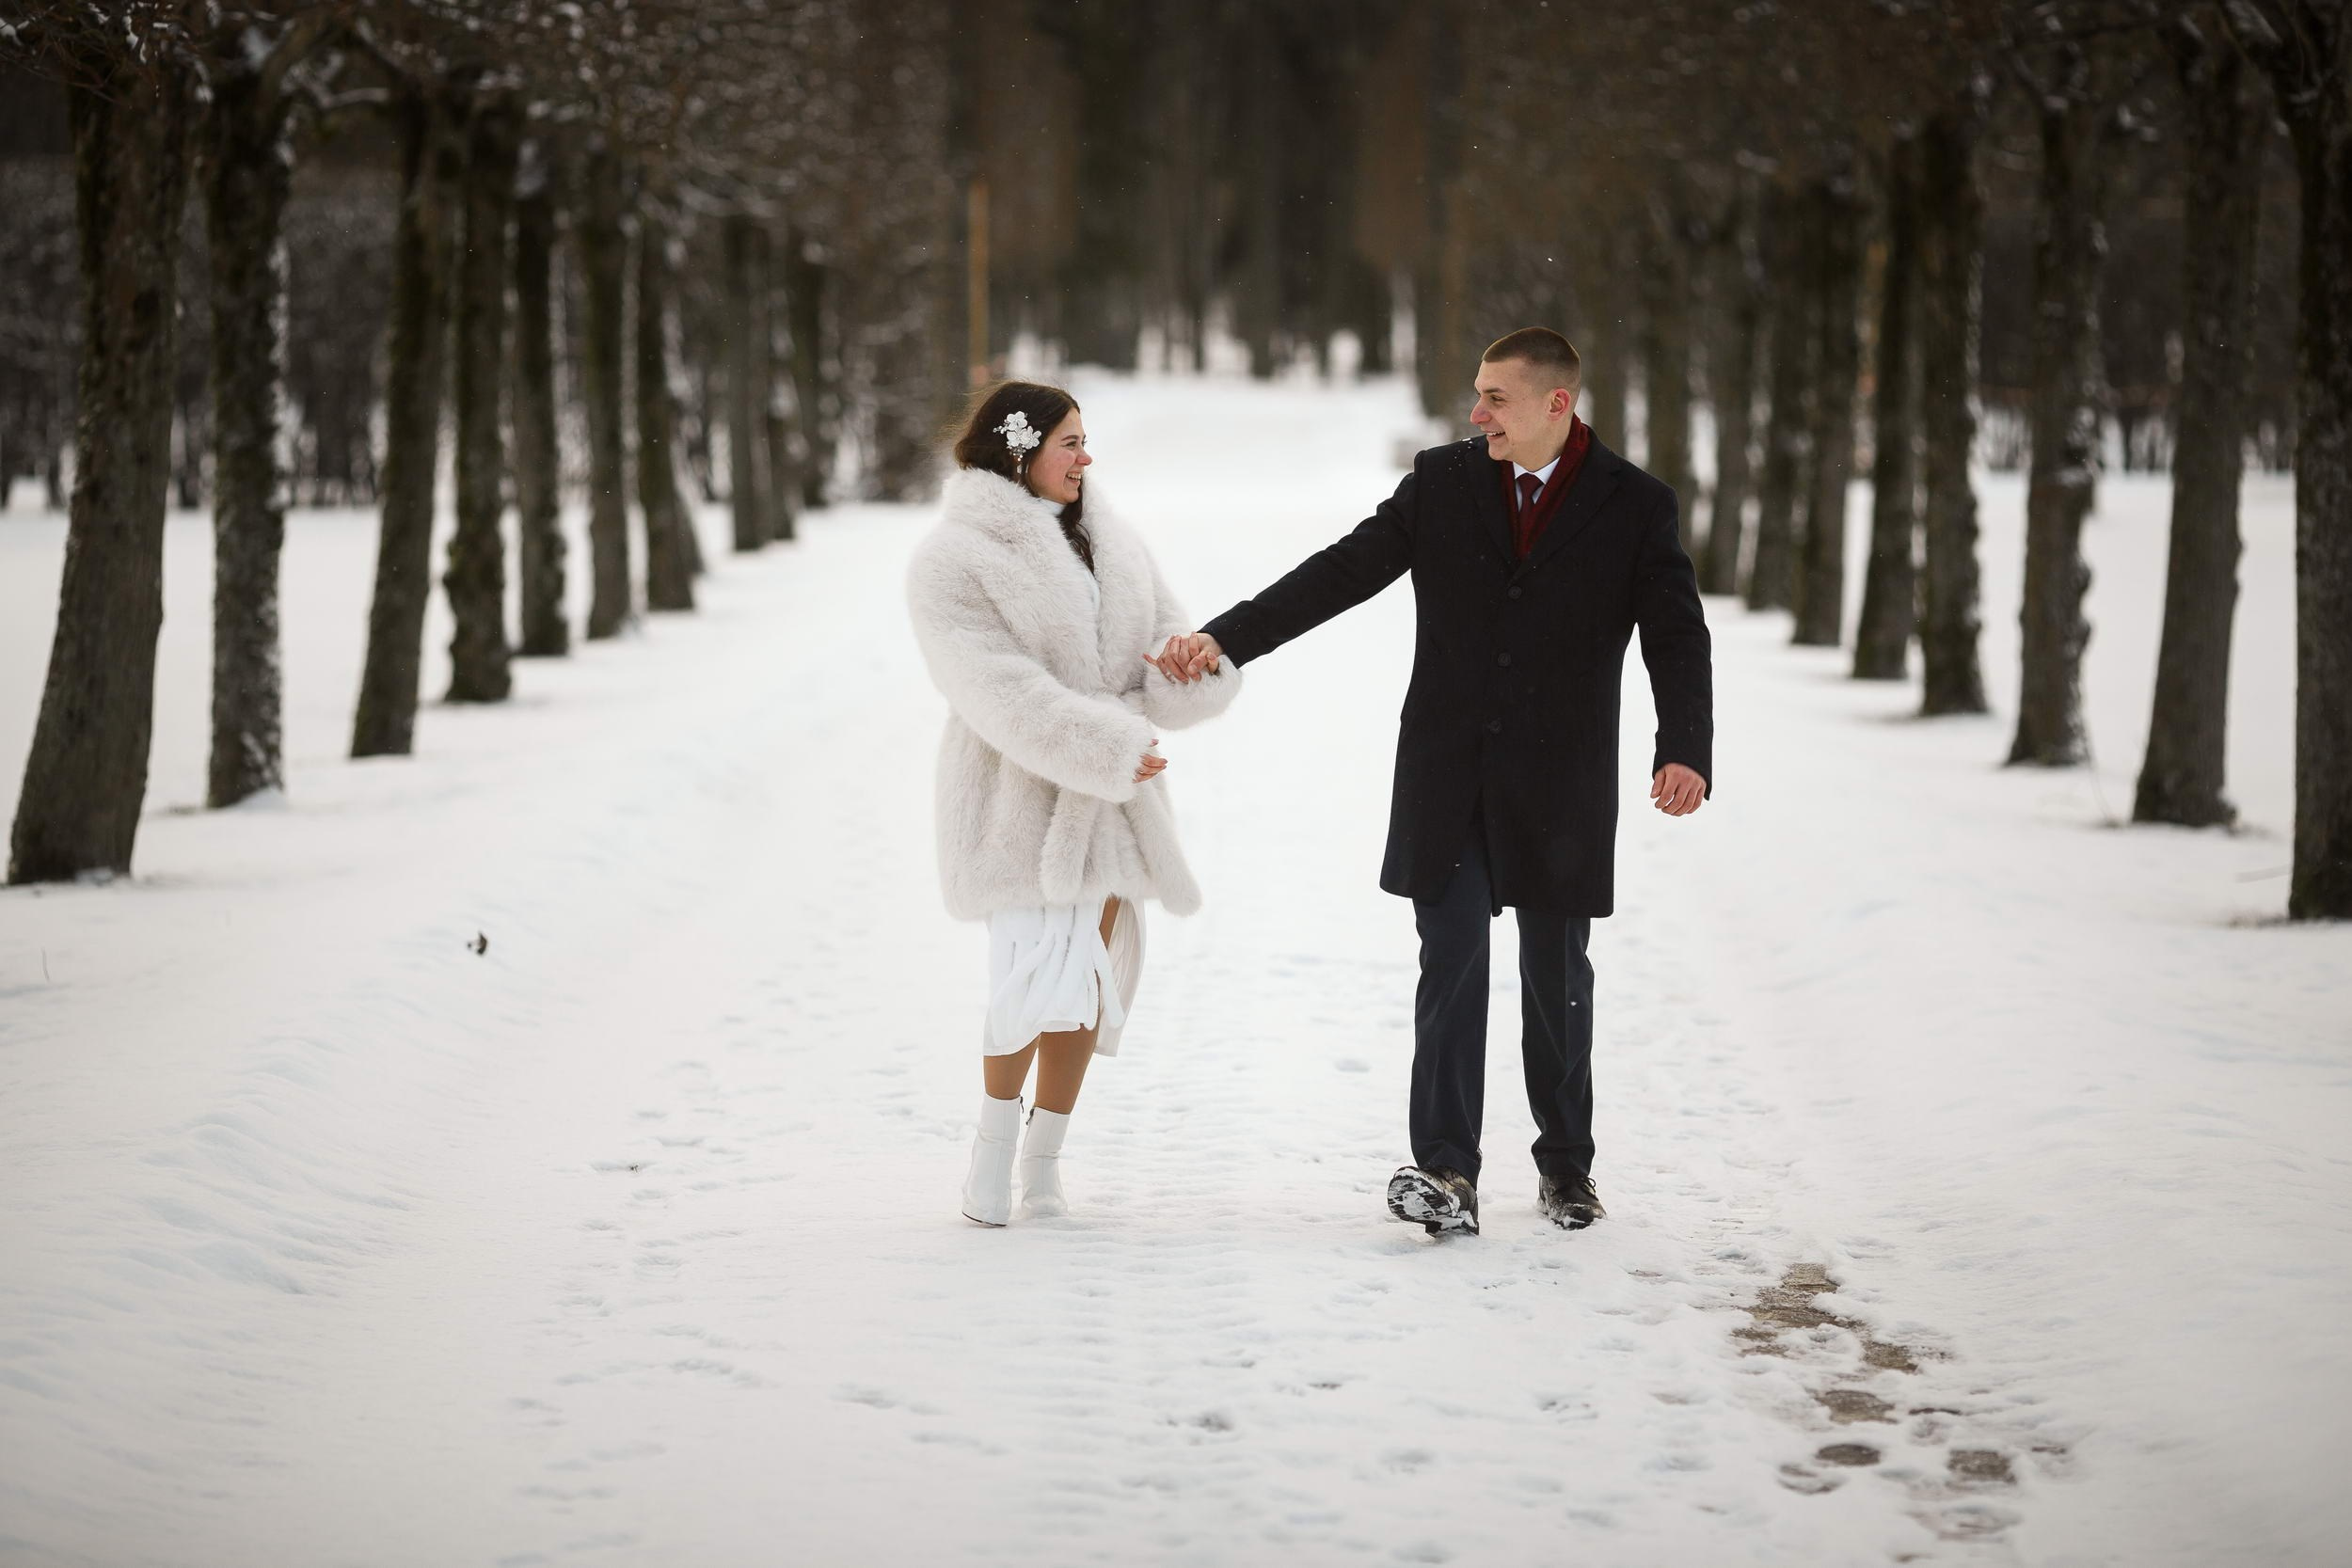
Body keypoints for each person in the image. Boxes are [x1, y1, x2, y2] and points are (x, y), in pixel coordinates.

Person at [1156, 328, 1713, 1236]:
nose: (1476, 412)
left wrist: (1683, 746)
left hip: (1561, 784)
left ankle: (1567, 1167)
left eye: (1495, 397)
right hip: (1447, 775)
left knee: (1555, 974)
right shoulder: (1444, 482)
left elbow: (1677, 637)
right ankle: (1446, 1172)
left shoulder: (1634, 504)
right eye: (1477, 394)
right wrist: (1227, 637)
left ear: (1556, 405)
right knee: (1451, 959)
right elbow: (1340, 572)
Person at [907, 381, 1241, 1227]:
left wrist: (1188, 670)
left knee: (1086, 985)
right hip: (1015, 803)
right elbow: (993, 687)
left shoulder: (1114, 542)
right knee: (1026, 975)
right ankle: (989, 1151)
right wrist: (1103, 745)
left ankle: (1044, 1162)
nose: (1087, 458)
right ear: (1018, 450)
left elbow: (1158, 648)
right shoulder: (953, 559)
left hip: (1112, 805)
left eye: (1087, 441)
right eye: (1070, 442)